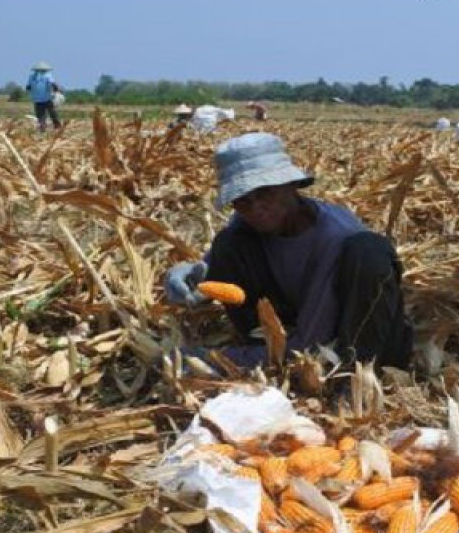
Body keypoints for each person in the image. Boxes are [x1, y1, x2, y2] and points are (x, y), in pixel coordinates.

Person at [164, 133, 413, 369]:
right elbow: (213, 269)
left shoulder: (335, 238)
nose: (255, 209)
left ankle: (351, 372)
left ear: (290, 184)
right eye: (242, 201)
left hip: (351, 338)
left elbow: (310, 346)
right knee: (229, 241)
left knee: (369, 251)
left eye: (264, 194)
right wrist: (189, 276)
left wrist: (217, 360)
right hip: (299, 321)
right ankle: (262, 345)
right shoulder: (247, 225)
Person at [26, 61, 62, 132]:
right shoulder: (48, 75)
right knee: (52, 112)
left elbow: (28, 87)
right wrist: (57, 90)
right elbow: (53, 84)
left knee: (40, 115)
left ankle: (42, 128)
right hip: (47, 98)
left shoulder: (32, 77)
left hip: (37, 99)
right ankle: (57, 126)